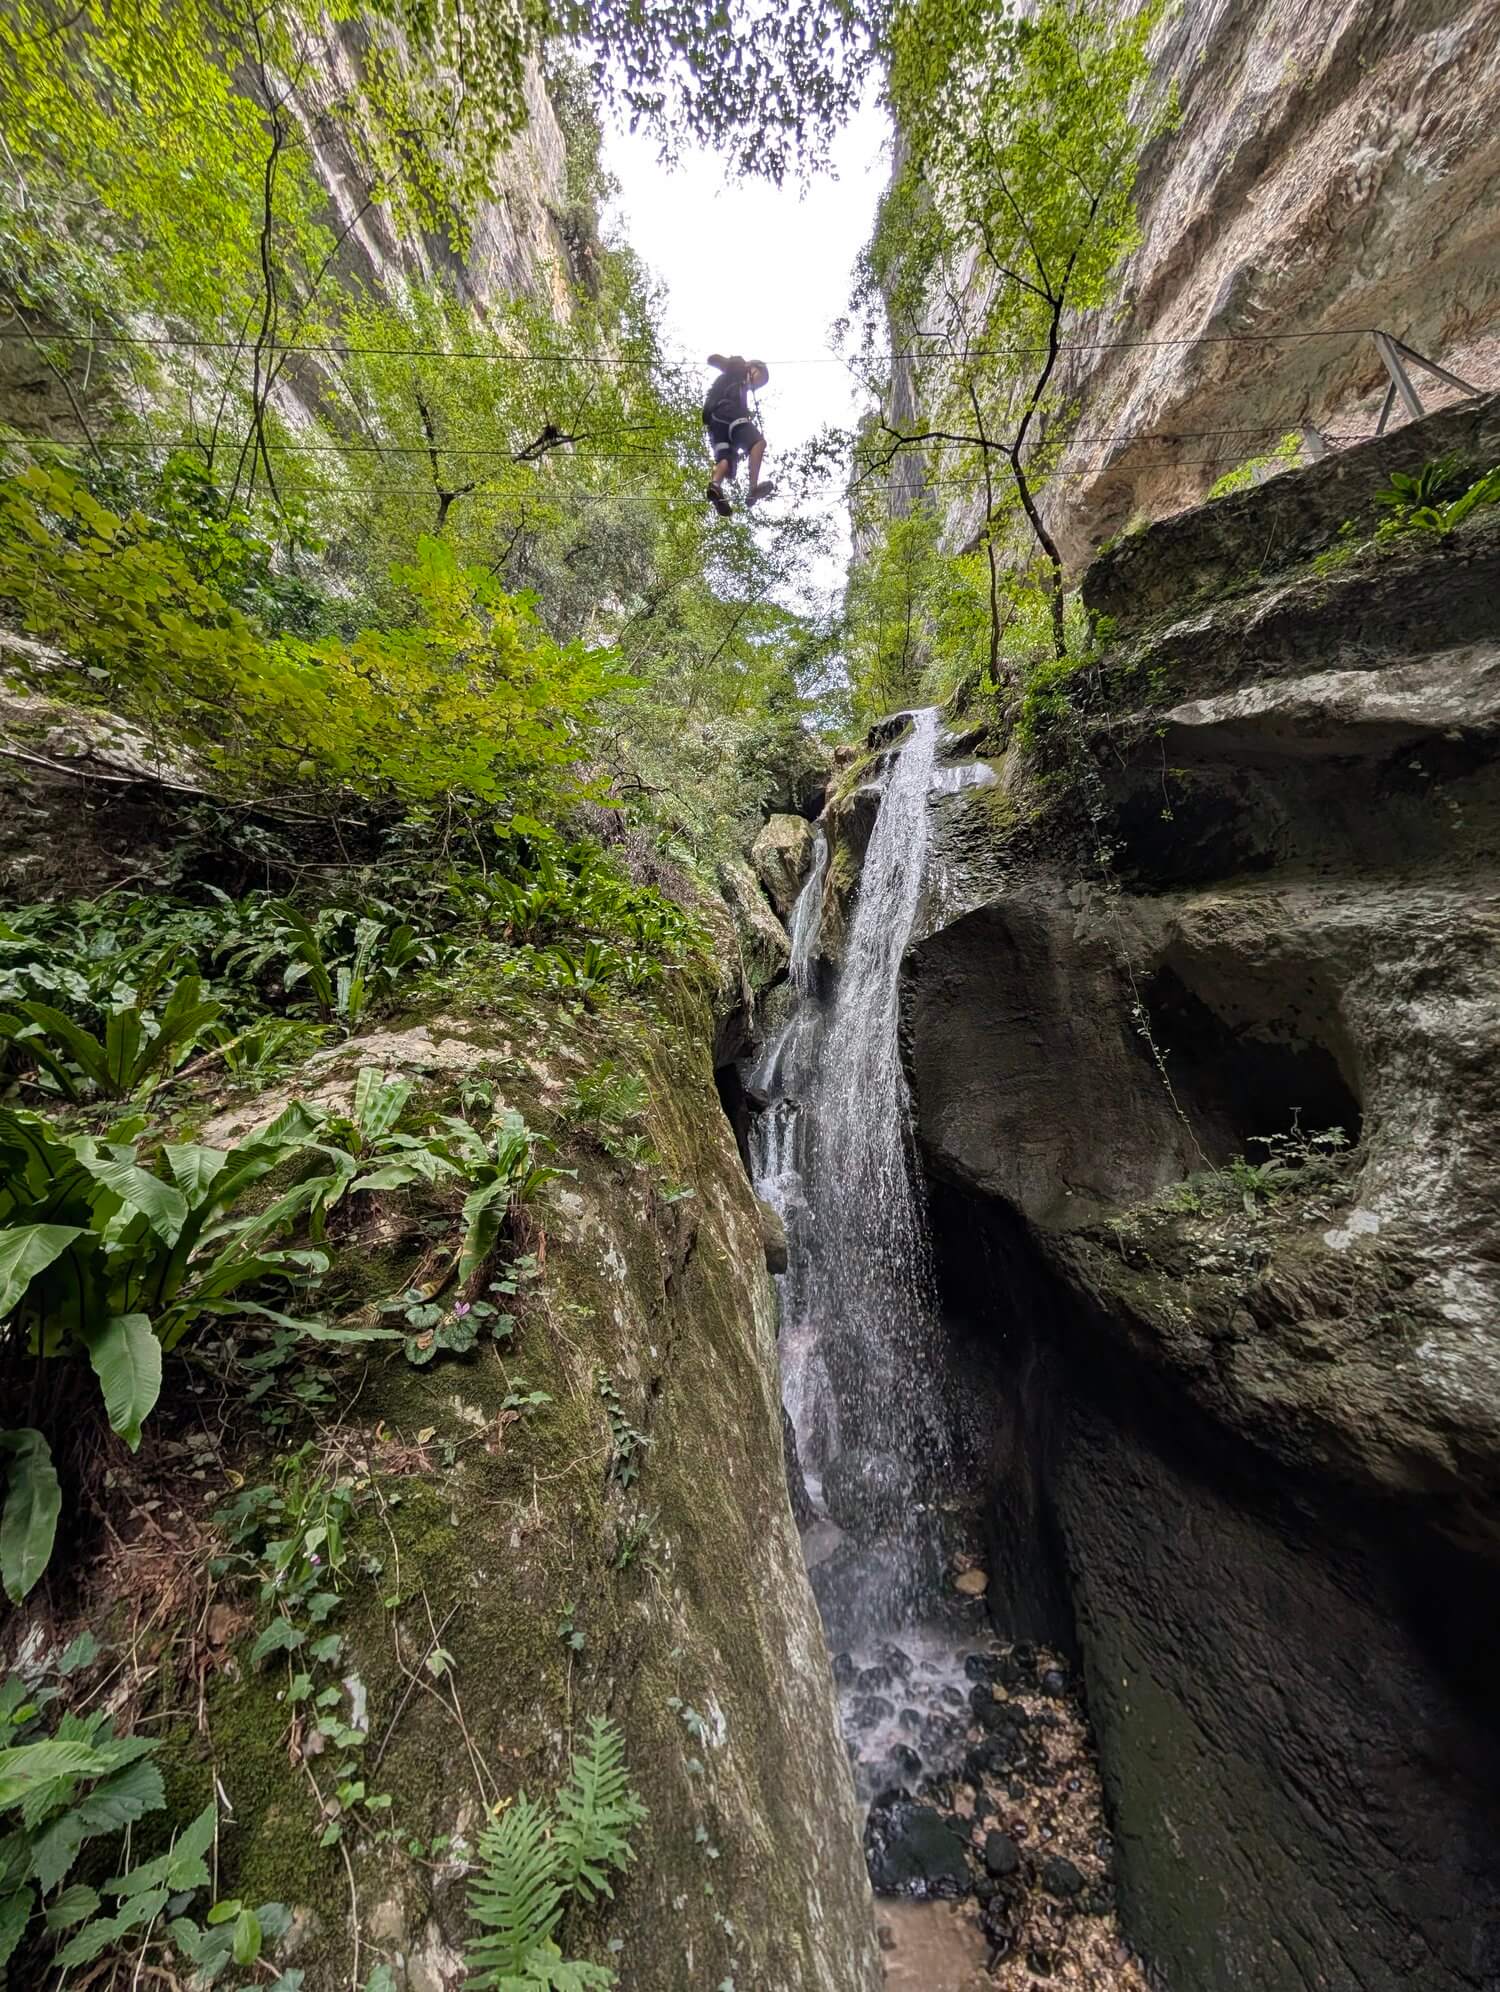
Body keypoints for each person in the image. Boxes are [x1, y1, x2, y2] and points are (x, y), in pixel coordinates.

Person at [702, 353, 775, 515]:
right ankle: (753, 488)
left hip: (716, 424)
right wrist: (734, 365)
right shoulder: (738, 370)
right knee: (758, 443)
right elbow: (716, 360)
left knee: (725, 460)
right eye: (758, 378)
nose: (755, 384)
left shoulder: (737, 385)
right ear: (752, 367)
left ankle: (715, 486)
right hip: (729, 414)